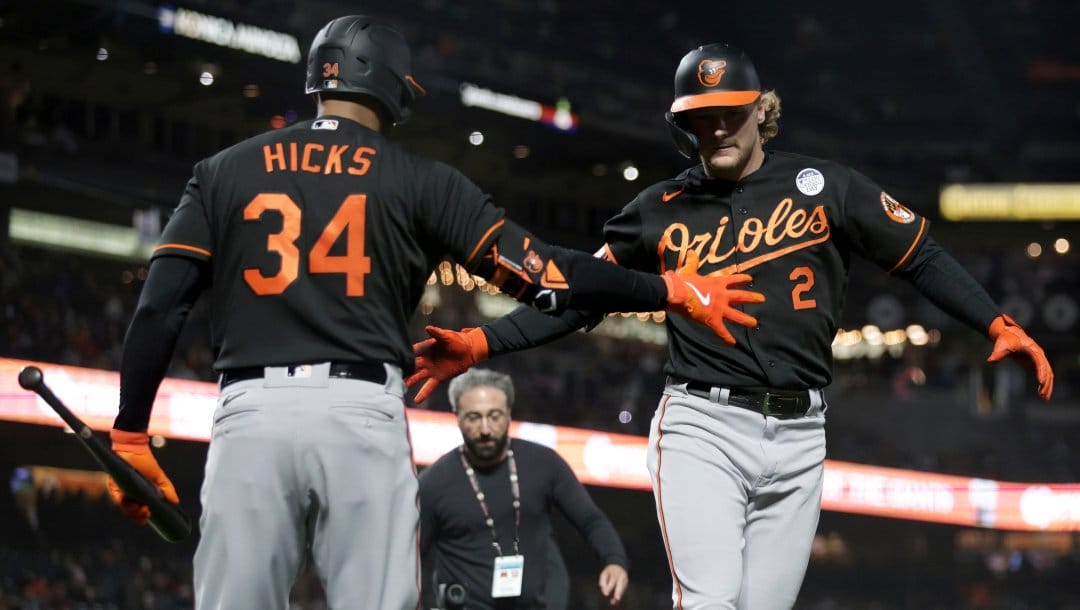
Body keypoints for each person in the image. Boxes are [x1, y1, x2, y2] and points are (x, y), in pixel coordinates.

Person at [103, 17, 763, 610]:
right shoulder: (418, 179)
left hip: (247, 414)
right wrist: (670, 291)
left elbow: (160, 308)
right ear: (392, 89)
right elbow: (547, 278)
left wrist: (131, 433)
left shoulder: (222, 171)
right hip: (359, 415)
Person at [406, 43, 1055, 610]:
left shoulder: (826, 186)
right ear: (681, 126)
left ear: (760, 111)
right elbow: (581, 296)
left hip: (802, 432)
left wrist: (993, 320)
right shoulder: (655, 210)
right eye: (698, 117)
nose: (716, 127)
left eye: (730, 111)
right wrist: (483, 340)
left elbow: (922, 255)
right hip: (703, 425)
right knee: (710, 601)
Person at [419, 368, 630, 609]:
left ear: (509, 413)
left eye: (495, 415)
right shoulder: (434, 483)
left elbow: (590, 519)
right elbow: (411, 559)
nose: (485, 428)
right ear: (456, 416)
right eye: (474, 417)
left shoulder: (544, 463)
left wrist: (614, 560)